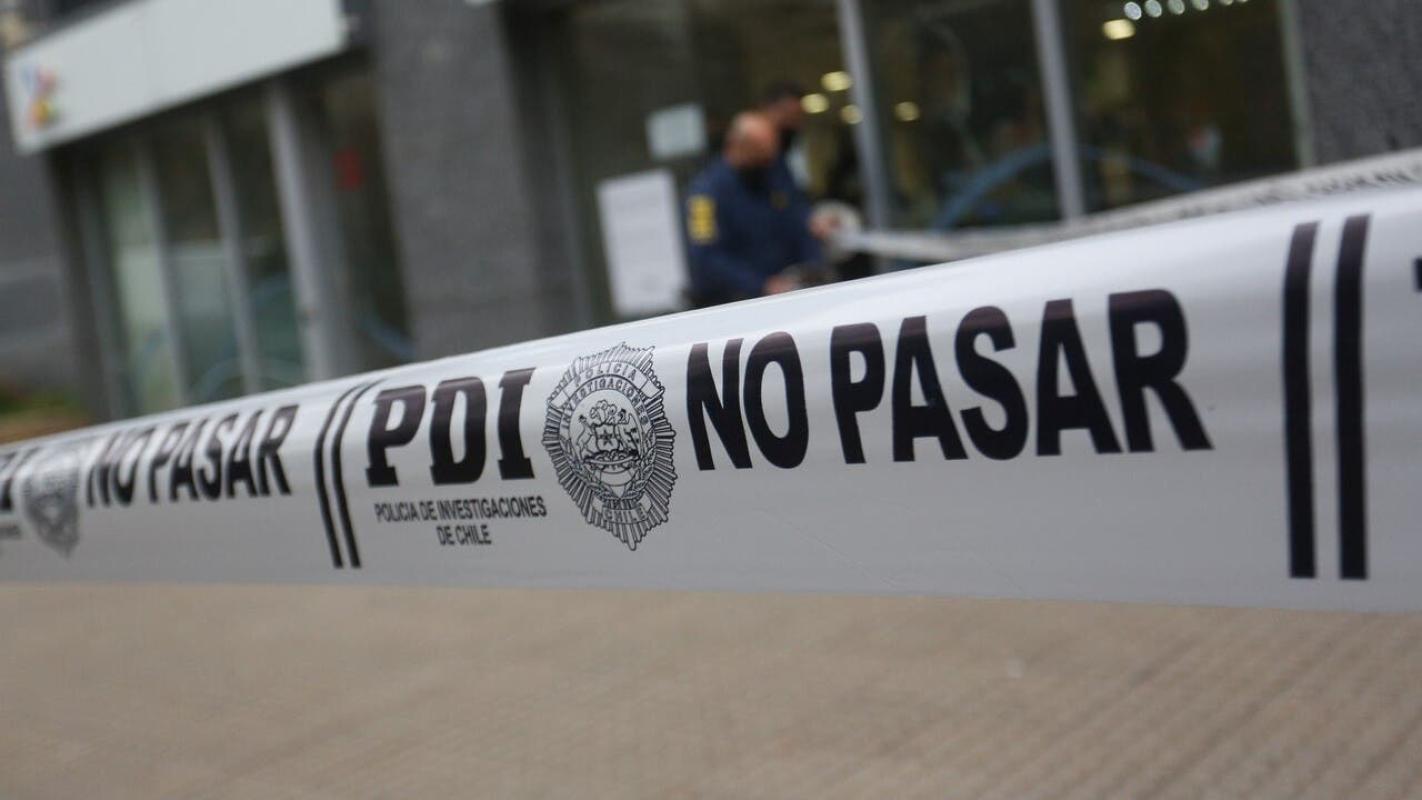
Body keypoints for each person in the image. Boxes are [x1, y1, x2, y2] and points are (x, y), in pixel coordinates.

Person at [685, 112, 821, 306]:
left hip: (790, 292)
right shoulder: (704, 194)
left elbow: (798, 218)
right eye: (759, 155)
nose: (767, 163)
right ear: (736, 146)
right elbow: (706, 257)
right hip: (736, 303)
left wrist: (813, 266)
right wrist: (761, 285)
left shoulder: (774, 174)